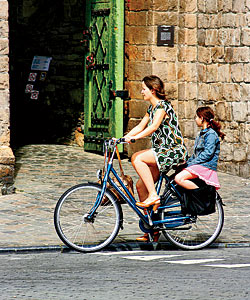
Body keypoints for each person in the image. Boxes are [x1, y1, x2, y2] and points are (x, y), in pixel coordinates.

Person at [123, 75, 187, 242]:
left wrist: (135, 139)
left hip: (172, 150)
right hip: (161, 151)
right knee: (140, 186)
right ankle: (151, 229)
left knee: (137, 158)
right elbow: (140, 125)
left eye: (144, 88)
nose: (142, 91)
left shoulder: (162, 107)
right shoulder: (151, 108)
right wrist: (123, 138)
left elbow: (153, 127)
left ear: (152, 90)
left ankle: (154, 196)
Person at [175, 106, 225, 191]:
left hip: (206, 166)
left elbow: (207, 154)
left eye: (196, 117)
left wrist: (192, 163)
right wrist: (187, 163)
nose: (195, 119)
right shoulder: (200, 134)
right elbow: (196, 154)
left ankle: (201, 196)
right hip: (199, 164)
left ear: (201, 118)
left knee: (179, 178)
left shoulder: (211, 134)